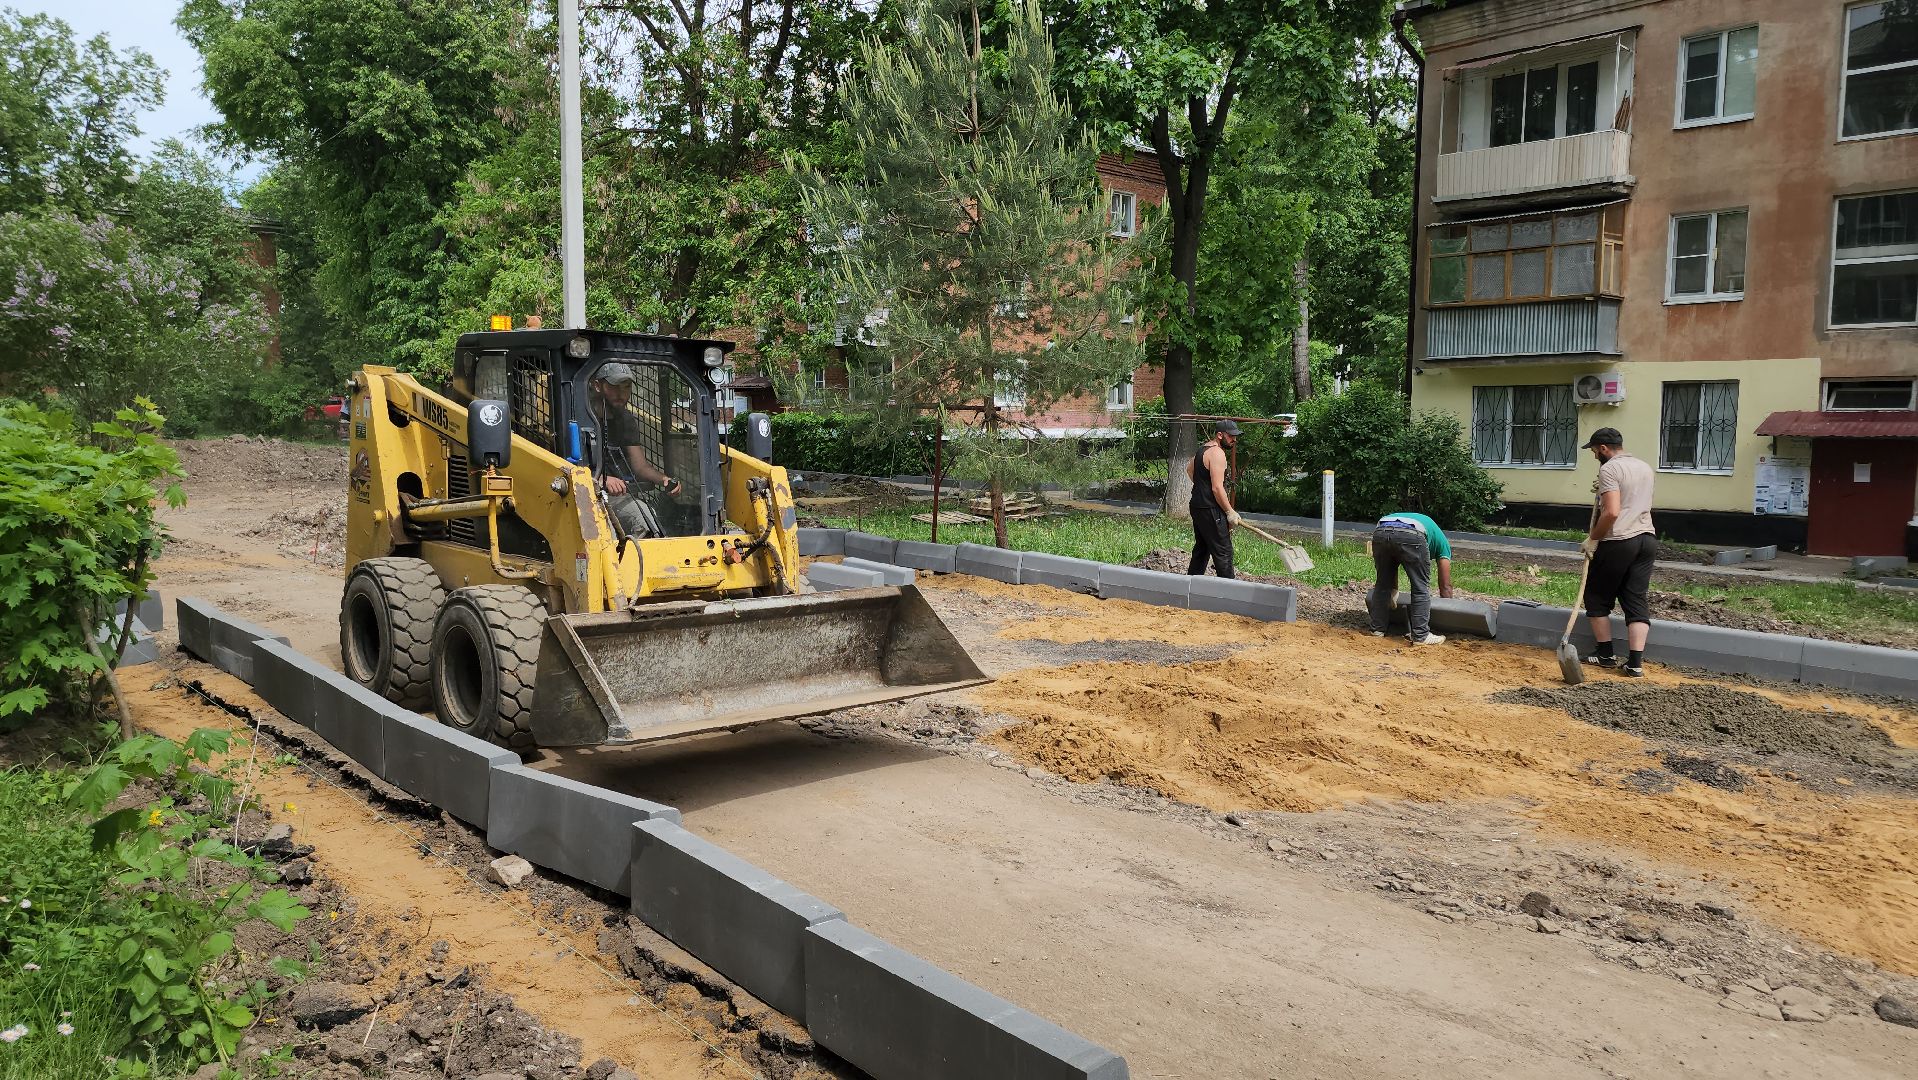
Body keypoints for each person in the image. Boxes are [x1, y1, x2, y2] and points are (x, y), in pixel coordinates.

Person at [1579, 426, 1656, 677]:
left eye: (1593, 451)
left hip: (1620, 540)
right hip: (1646, 539)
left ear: (1603, 448)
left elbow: (1611, 512)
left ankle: (1605, 654)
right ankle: (1635, 664)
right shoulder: (1644, 467)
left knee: (1596, 596)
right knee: (1635, 598)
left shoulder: (1609, 468)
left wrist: (1593, 538)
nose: (1594, 456)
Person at [587, 363, 682, 539]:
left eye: (626, 387)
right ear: (597, 385)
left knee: (652, 521)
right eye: (614, 387)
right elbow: (564, 464)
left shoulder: (625, 420)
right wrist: (599, 479)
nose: (621, 394)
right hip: (585, 497)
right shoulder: (581, 416)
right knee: (641, 520)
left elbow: (640, 467)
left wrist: (663, 479)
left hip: (619, 496)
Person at [1367, 511, 1454, 645]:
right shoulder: (1443, 544)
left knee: (1382, 584)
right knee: (1420, 586)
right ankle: (1421, 635)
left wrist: (1393, 591)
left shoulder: (1428, 527)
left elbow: (1391, 563)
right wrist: (1449, 613)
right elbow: (1445, 586)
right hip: (1412, 533)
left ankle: (1377, 630)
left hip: (1381, 530)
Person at [1187, 419, 1241, 578]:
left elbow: (1189, 469)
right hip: (1210, 509)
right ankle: (1228, 593)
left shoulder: (1203, 449)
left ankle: (1190, 586)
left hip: (1197, 506)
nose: (1234, 440)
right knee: (1223, 551)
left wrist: (1202, 489)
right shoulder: (1218, 453)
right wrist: (1229, 511)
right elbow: (1217, 488)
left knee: (1202, 549)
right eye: (1231, 436)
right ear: (1219, 435)